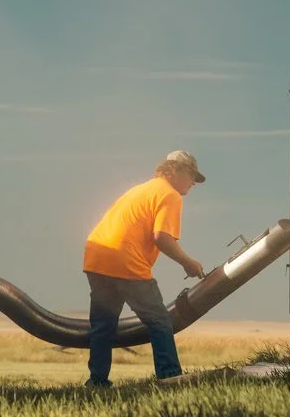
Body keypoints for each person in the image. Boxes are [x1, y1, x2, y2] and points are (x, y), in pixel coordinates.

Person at [82, 150, 209, 387]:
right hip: (125, 260)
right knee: (160, 321)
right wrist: (188, 262)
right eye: (191, 175)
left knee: (103, 325)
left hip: (97, 257)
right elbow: (162, 237)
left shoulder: (141, 189)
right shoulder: (170, 195)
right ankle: (170, 378)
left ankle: (96, 382)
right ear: (175, 170)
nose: (193, 183)